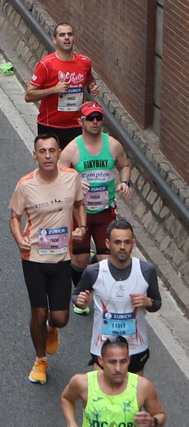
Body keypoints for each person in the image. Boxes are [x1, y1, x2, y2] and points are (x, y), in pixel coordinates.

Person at [11, 132, 87, 385]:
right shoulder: (25, 184)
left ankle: (52, 329)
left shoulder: (71, 178)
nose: (47, 156)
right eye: (42, 151)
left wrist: (82, 227)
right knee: (38, 310)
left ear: (58, 153)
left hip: (62, 258)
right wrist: (17, 238)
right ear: (35, 156)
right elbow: (14, 216)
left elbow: (79, 204)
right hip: (33, 257)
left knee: (60, 318)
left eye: (52, 151)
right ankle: (40, 360)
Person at [60, 101, 135, 313]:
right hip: (80, 212)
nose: (95, 122)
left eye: (98, 118)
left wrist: (125, 182)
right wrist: (73, 180)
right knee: (80, 260)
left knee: (106, 258)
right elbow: (58, 173)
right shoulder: (73, 148)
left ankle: (100, 294)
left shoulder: (113, 145)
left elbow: (125, 165)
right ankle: (81, 293)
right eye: (90, 118)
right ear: (80, 121)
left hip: (105, 211)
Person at [74, 221, 163, 373]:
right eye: (117, 242)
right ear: (108, 244)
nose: (122, 247)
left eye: (127, 242)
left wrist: (148, 302)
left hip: (135, 348)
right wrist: (81, 302)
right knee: (100, 394)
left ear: (133, 243)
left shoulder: (146, 270)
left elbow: (157, 302)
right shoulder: (93, 272)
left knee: (133, 396)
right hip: (102, 347)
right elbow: (76, 295)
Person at [60, 336, 168, 427]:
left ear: (129, 360)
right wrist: (71, 423)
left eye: (123, 362)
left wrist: (152, 422)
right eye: (112, 362)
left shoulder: (142, 387)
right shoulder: (83, 383)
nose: (118, 368)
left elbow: (160, 415)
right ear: (101, 361)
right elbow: (67, 398)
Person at [25, 22, 94, 150]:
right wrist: (54, 89)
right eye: (62, 35)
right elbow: (29, 96)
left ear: (74, 38)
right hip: (50, 126)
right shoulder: (46, 64)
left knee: (73, 167)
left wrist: (92, 88)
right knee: (52, 166)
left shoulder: (85, 62)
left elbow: (89, 81)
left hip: (77, 125)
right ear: (55, 40)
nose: (67, 37)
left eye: (70, 34)